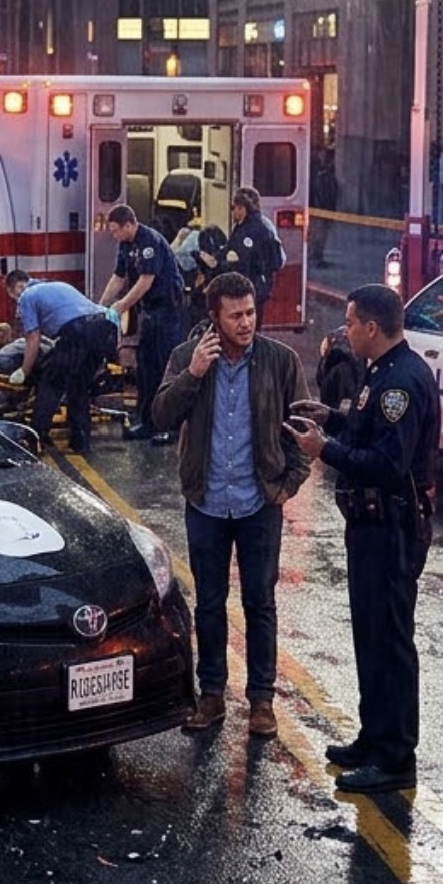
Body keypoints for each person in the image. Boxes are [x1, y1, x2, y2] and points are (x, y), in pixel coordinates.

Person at [284, 283, 440, 794]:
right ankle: (375, 737)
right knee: (370, 635)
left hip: (392, 527)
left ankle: (396, 757)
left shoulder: (401, 384)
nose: (345, 331)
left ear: (372, 327)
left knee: (391, 639)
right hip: (370, 527)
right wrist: (334, 419)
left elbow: (388, 463)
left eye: (351, 323)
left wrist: (324, 448)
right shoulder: (382, 372)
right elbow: (370, 429)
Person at [151, 272, 309, 737]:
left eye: (251, 312)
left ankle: (262, 700)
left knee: (260, 603)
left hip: (259, 502)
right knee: (210, 604)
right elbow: (160, 415)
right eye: (236, 315)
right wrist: (194, 374)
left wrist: (287, 486)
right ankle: (212, 695)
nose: (246, 322)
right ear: (214, 318)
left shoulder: (280, 360)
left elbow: (302, 427)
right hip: (206, 503)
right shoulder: (188, 357)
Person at [96, 204, 186, 446]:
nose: (114, 236)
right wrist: (101, 305)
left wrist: (122, 306)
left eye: (116, 230)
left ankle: (169, 426)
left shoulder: (149, 243)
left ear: (129, 225)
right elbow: (119, 277)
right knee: (145, 369)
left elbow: (146, 281)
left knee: (164, 369)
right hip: (149, 313)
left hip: (167, 311)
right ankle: (146, 422)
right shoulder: (127, 244)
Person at [4, 270, 119, 454]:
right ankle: (81, 442)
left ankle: (34, 439)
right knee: (78, 387)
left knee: (51, 382)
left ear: (13, 290)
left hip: (80, 331)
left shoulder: (26, 296)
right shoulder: (57, 285)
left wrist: (24, 371)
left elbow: (32, 339)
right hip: (105, 331)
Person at [222, 189, 282, 323]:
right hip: (254, 284)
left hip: (254, 284)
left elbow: (247, 260)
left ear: (242, 209)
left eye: (235, 208)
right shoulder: (243, 226)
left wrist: (230, 264)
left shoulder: (253, 230)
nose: (233, 212)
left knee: (250, 322)